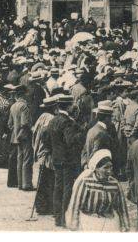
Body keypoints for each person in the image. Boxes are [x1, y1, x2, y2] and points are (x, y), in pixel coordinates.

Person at [65, 149, 130, 231]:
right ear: (96, 168)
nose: (109, 171)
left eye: (111, 167)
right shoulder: (86, 182)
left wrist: (125, 226)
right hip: (88, 222)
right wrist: (73, 226)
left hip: (108, 222)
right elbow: (75, 204)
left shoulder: (114, 184)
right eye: (105, 168)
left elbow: (121, 207)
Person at [49, 94, 83, 228]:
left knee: (58, 188)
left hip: (56, 158)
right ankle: (65, 218)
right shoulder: (67, 122)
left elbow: (47, 139)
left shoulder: (53, 120)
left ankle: (58, 218)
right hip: (68, 160)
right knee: (67, 189)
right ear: (68, 106)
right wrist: (82, 133)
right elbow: (71, 141)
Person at [33, 95, 58, 215]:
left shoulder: (42, 117)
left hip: (40, 152)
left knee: (42, 181)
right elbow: (46, 135)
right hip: (47, 153)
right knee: (49, 180)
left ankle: (40, 206)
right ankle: (46, 207)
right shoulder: (51, 119)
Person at [8, 84, 34, 191]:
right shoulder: (24, 106)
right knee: (27, 159)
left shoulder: (13, 106)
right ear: (23, 95)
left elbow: (9, 124)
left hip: (16, 136)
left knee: (19, 159)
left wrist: (15, 131)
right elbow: (25, 123)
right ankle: (26, 184)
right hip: (25, 136)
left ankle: (19, 183)